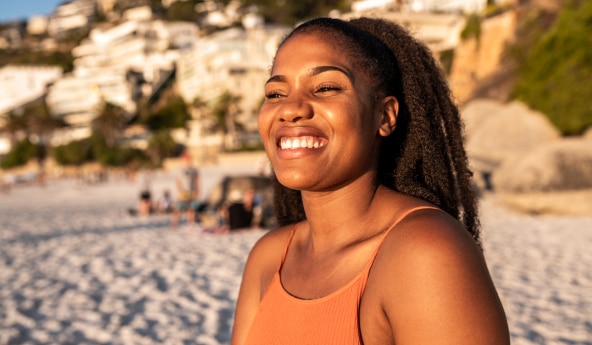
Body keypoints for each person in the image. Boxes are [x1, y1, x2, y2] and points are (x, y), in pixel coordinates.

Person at [231, 17, 510, 345]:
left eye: (325, 87)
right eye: (275, 93)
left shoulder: (424, 253)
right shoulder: (269, 257)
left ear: (385, 116)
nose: (290, 109)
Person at [171, 153, 201, 228]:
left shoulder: (194, 169)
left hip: (192, 191)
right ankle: (174, 223)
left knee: (191, 208)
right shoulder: (180, 169)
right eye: (185, 159)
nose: (187, 161)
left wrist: (198, 190)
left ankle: (191, 223)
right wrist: (180, 190)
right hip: (183, 192)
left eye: (188, 159)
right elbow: (177, 181)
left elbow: (197, 180)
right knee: (178, 208)